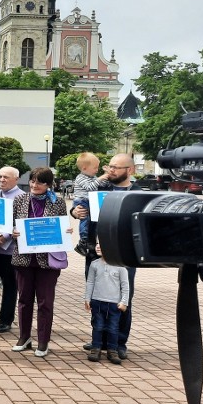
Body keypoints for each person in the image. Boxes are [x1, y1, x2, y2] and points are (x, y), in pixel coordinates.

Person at [71, 153, 140, 359]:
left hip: (124, 253)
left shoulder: (138, 193)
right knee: (97, 296)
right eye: (109, 166)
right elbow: (78, 204)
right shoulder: (98, 188)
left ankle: (118, 342)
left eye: (116, 168)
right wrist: (75, 211)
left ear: (130, 170)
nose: (111, 171)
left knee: (122, 297)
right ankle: (98, 339)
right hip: (95, 251)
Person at [9, 167, 69, 358]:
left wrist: (66, 232)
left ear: (48, 184)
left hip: (47, 261)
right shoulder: (19, 200)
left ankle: (43, 341)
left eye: (40, 182)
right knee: (24, 300)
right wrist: (13, 231)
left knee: (45, 302)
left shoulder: (57, 202)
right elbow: (9, 224)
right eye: (33, 181)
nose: (35, 185)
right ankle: (24, 337)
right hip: (23, 258)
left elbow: (62, 226)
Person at [0, 166, 24, 333]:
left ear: (16, 178)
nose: (2, 180)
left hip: (10, 251)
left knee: (10, 287)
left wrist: (4, 238)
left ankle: (5, 320)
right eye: (0, 177)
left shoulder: (22, 197)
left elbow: (21, 221)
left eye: (6, 177)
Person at [84, 240, 129, 365]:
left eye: (102, 244)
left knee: (113, 328)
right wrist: (88, 298)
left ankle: (112, 350)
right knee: (97, 326)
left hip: (114, 304)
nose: (98, 246)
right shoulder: (94, 264)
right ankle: (96, 348)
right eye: (97, 244)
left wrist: (124, 301)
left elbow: (125, 286)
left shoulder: (120, 267)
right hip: (97, 302)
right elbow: (90, 282)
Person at [71, 152, 108, 256]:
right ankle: (83, 241)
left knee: (91, 220)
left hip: (90, 200)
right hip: (82, 200)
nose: (97, 170)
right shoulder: (81, 177)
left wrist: (106, 177)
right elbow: (90, 187)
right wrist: (101, 178)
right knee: (85, 220)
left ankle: (87, 242)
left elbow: (102, 184)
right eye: (95, 168)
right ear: (84, 168)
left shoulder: (92, 177)